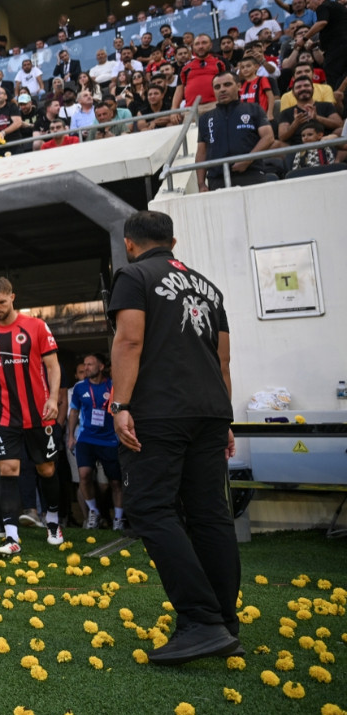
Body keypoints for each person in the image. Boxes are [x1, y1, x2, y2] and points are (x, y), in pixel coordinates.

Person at [108, 210, 241, 665]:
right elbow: (222, 359)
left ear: (130, 243)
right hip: (209, 409)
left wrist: (121, 405)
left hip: (162, 411)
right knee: (209, 514)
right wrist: (223, 418)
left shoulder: (133, 275)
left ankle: (201, 621)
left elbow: (129, 342)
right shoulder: (209, 286)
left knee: (150, 508)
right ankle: (224, 621)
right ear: (174, 240)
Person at [0, 277, 63, 555]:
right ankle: (11, 537)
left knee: (46, 469)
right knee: (7, 469)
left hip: (39, 413)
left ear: (13, 297)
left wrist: (52, 398)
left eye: (1, 302)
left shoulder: (36, 326)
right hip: (4, 416)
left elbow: (53, 366)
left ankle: (52, 521)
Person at [66, 353, 124, 531]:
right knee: (84, 475)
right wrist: (71, 436)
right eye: (85, 365)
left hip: (109, 440)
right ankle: (93, 512)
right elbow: (74, 411)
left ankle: (118, 518)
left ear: (100, 367)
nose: (86, 368)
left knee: (114, 483)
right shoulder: (79, 388)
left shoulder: (113, 386)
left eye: (90, 364)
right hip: (86, 438)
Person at [196, 72, 276, 191]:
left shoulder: (254, 109)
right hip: (217, 179)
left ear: (239, 86)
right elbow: (202, 152)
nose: (222, 89)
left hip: (251, 174)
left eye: (227, 84)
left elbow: (268, 137)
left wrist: (248, 160)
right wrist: (201, 184)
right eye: (217, 87)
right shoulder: (205, 118)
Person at [171, 35, 228, 109]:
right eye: (197, 44)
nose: (200, 46)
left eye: (204, 43)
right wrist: (174, 109)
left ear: (210, 45)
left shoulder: (220, 61)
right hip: (192, 109)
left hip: (216, 105)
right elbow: (179, 89)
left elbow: (231, 82)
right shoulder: (184, 67)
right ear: (193, 47)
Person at [306, 0, 346, 90]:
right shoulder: (338, 8)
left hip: (337, 49)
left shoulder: (323, 6)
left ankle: (336, 98)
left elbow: (322, 22)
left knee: (333, 74)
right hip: (342, 46)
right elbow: (339, 30)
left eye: (308, 2)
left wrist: (304, 38)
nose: (307, 6)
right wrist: (318, 43)